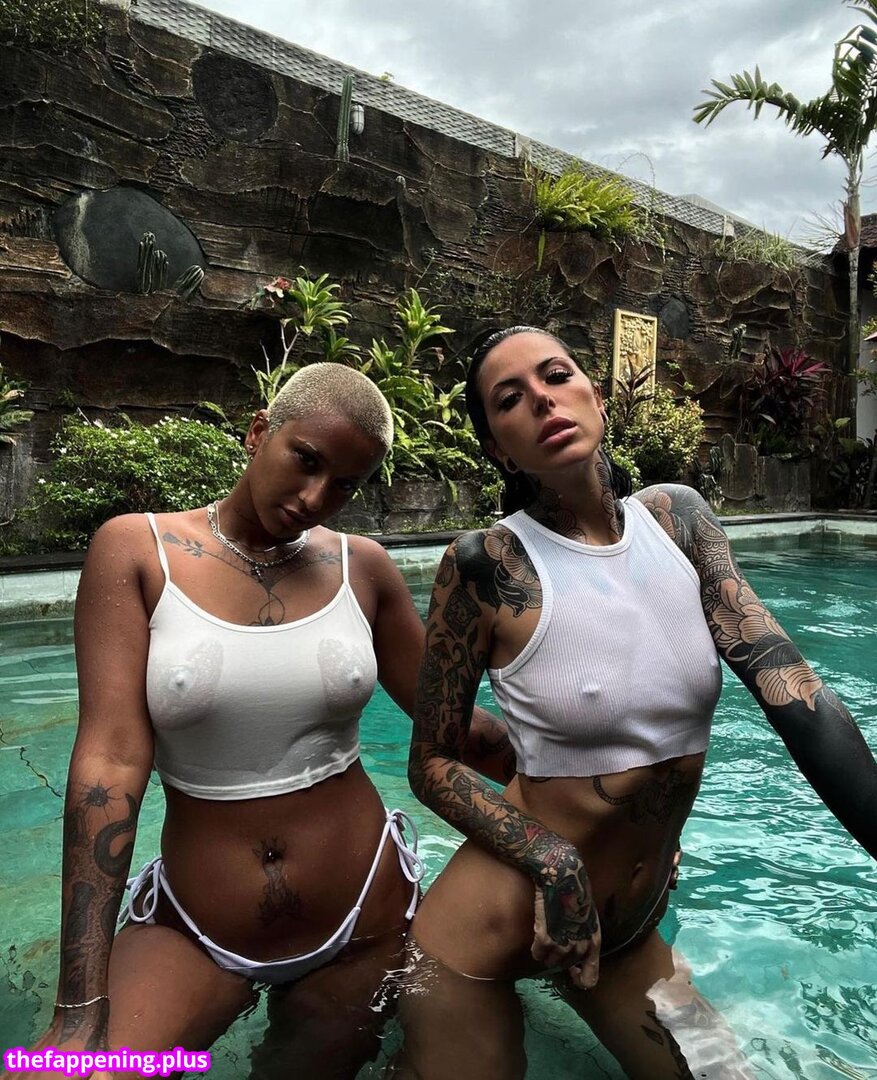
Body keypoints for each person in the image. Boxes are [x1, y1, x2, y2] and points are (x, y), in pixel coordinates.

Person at [394, 327, 877, 1079]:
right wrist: (554, 862)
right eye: (510, 399)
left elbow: (797, 695)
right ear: (498, 449)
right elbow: (430, 763)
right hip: (484, 938)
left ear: (595, 392)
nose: (542, 399)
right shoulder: (484, 566)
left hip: (620, 932)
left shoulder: (677, 521)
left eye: (556, 374)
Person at [10, 363, 515, 1080]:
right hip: (197, 926)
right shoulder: (137, 550)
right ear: (258, 432)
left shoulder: (363, 567)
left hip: (363, 920)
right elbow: (109, 762)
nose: (315, 497)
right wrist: (77, 1005)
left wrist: (597, 812)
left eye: (343, 485)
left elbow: (454, 732)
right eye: (305, 460)